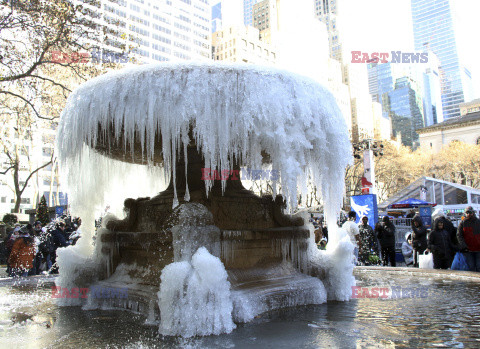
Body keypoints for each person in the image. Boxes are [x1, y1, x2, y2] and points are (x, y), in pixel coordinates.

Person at [457, 206, 480, 272]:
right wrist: (464, 246)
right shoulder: (463, 223)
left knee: (479, 267)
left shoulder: (478, 222)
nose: (468, 214)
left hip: (478, 249)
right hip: (468, 250)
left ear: (473, 213)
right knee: (471, 267)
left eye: (470, 212)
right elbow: (459, 235)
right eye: (467, 213)